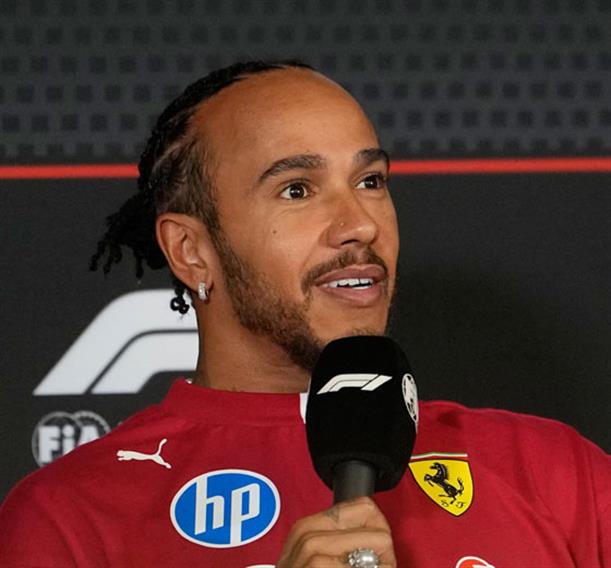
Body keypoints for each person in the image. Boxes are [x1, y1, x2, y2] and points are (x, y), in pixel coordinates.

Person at [0, 60, 609, 567]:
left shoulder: (553, 471)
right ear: (190, 250)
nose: (361, 224)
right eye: (297, 189)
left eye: (370, 181)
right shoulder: (67, 520)